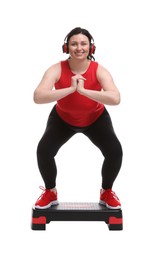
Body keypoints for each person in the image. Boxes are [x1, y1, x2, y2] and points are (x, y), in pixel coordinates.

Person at [33, 27, 123, 210]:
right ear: (66, 47)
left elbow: (115, 98)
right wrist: (70, 89)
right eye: (74, 44)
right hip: (62, 118)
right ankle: (50, 192)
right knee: (44, 150)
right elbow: (38, 96)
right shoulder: (56, 69)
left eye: (83, 44)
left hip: (95, 119)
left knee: (115, 151)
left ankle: (106, 192)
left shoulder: (100, 71)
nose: (79, 47)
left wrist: (83, 91)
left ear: (91, 48)